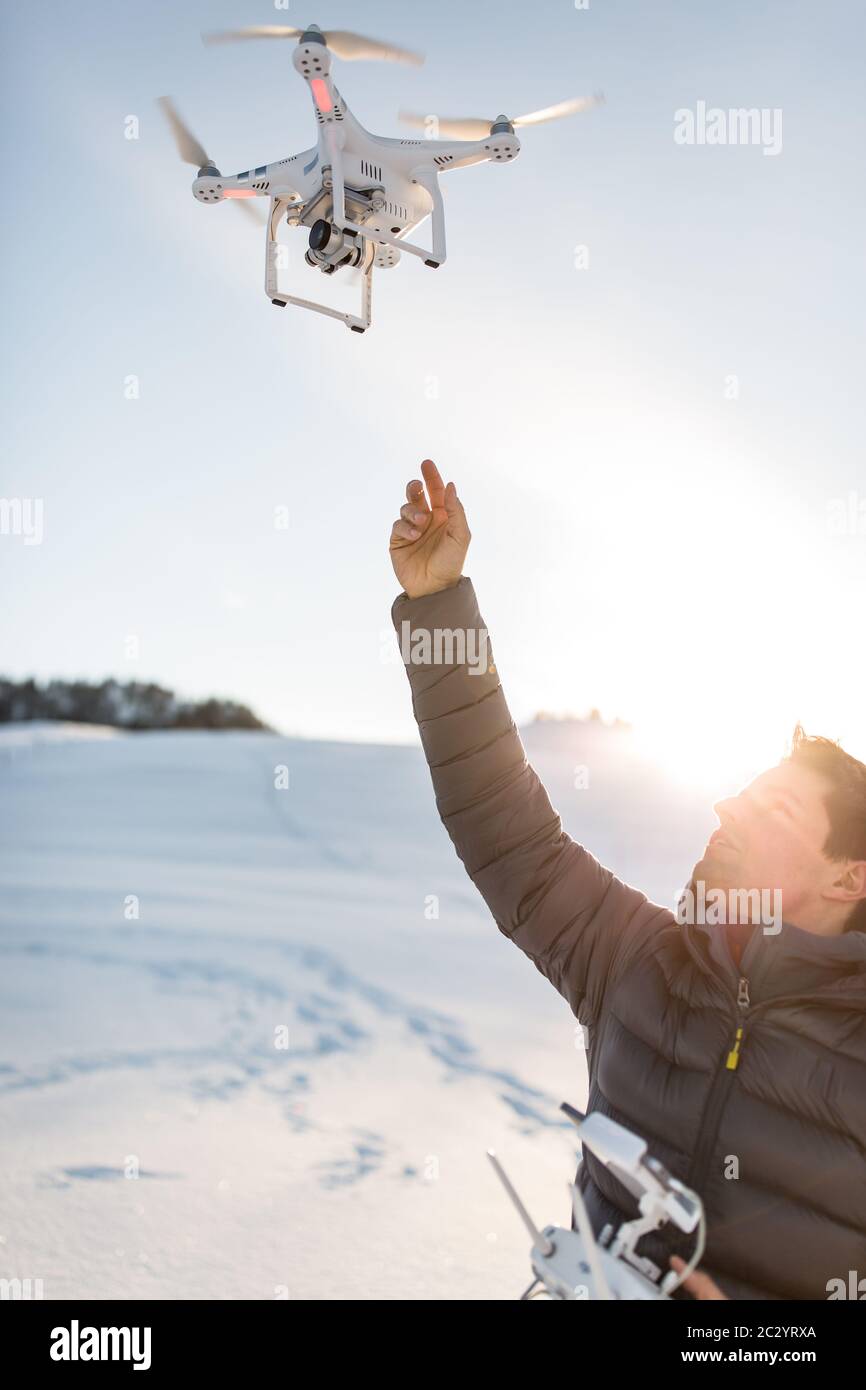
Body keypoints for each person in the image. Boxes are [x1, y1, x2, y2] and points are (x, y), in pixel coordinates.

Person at [388, 459, 866, 1301]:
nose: (727, 810)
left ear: (847, 880)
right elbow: (505, 825)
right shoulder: (636, 963)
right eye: (741, 794)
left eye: (776, 814)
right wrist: (437, 610)